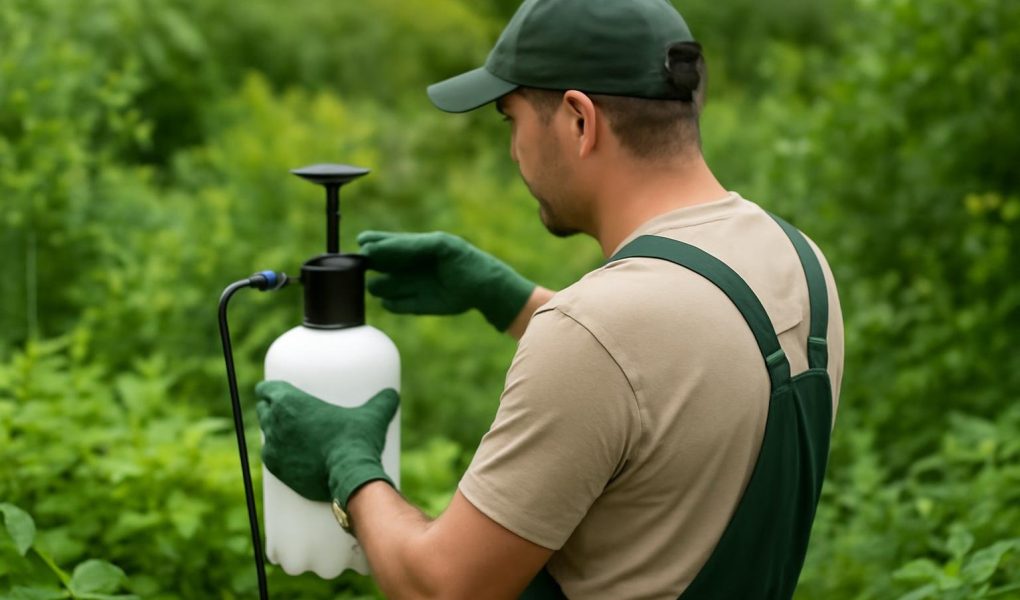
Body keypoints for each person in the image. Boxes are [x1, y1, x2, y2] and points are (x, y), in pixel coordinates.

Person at [254, 0, 845, 597]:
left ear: (579, 120)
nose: (513, 151)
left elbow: (442, 588)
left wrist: (347, 462)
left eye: (510, 119)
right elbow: (667, 376)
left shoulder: (594, 332)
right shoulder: (797, 261)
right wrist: (508, 298)